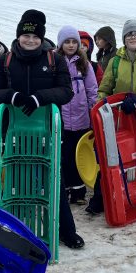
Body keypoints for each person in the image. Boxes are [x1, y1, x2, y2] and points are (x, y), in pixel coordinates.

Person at [0, 11, 81, 248]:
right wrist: (14, 96)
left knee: (53, 179)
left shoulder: (54, 60)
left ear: (42, 38)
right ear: (18, 35)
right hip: (14, 132)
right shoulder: (5, 60)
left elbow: (66, 91)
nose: (30, 40)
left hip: (47, 132)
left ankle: (66, 231)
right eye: (26, 35)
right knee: (16, 179)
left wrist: (39, 98)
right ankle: (17, 230)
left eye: (35, 36)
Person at [86, 20, 136, 214]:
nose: (133, 37)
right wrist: (102, 107)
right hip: (120, 122)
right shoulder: (115, 61)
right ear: (124, 38)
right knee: (113, 158)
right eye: (129, 34)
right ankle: (102, 199)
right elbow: (104, 89)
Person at [57, 25, 98, 214]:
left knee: (78, 156)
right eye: (67, 41)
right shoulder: (55, 61)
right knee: (64, 156)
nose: (71, 45)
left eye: (74, 42)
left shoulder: (84, 63)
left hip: (81, 118)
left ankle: (79, 192)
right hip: (63, 119)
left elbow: (92, 90)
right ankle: (64, 189)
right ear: (61, 44)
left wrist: (92, 113)